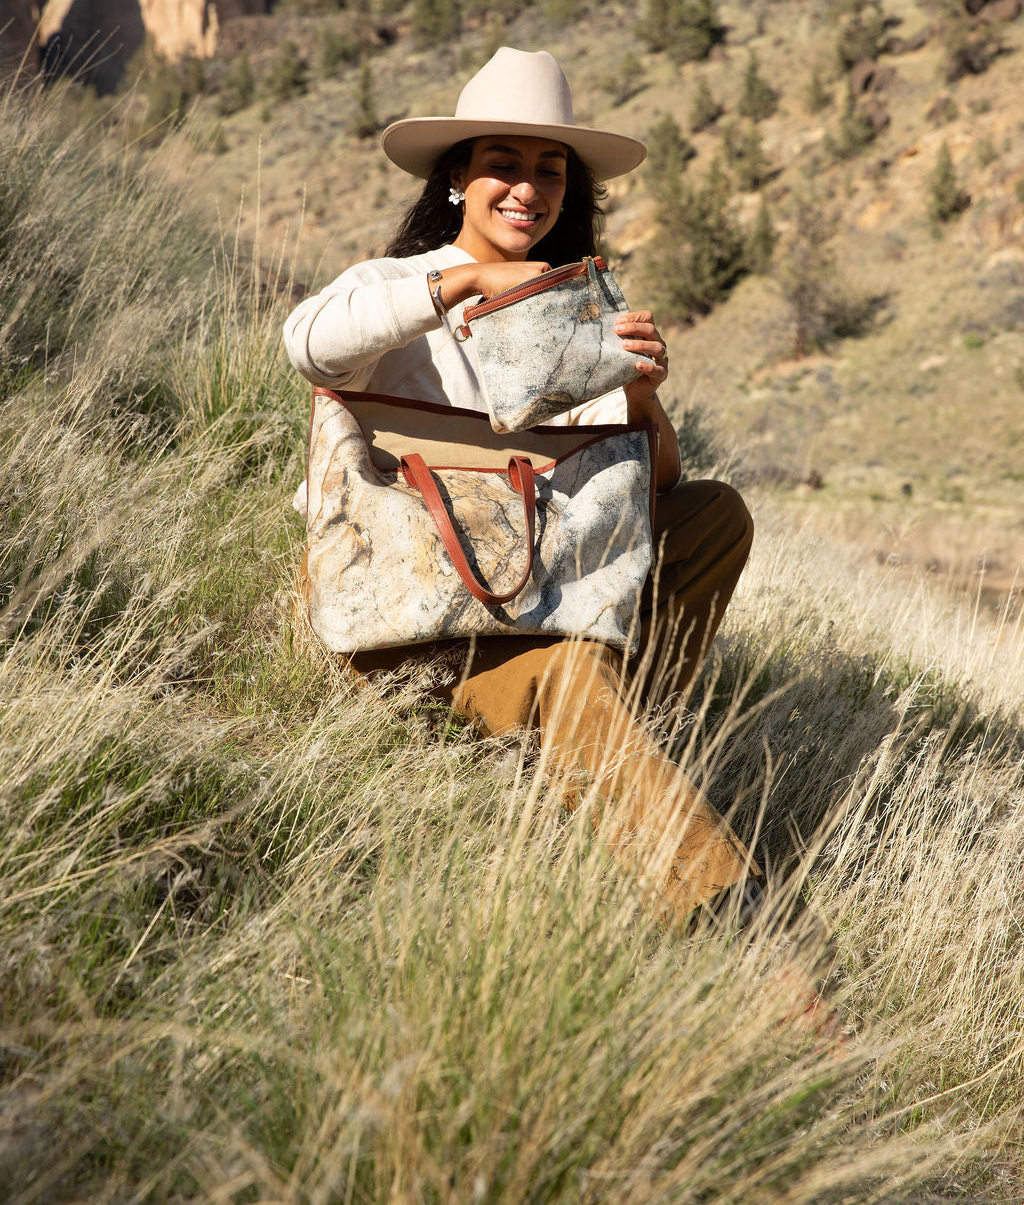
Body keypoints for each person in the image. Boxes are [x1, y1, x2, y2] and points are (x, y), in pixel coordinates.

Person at [284, 47, 757, 925]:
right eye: (503, 163)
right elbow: (308, 345)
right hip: (415, 619)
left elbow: (648, 493)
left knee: (713, 514)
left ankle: (607, 744)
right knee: (571, 673)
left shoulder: (572, 318)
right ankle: (737, 925)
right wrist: (463, 282)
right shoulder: (391, 289)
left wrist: (641, 399)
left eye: (550, 172)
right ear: (459, 177)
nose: (527, 190)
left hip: (535, 590)